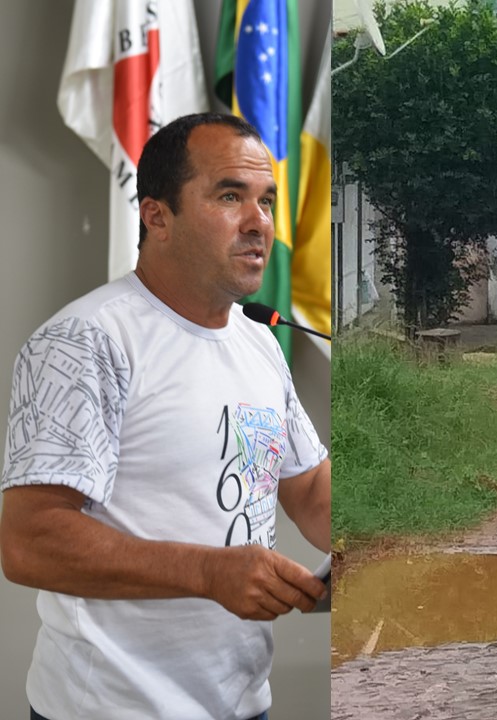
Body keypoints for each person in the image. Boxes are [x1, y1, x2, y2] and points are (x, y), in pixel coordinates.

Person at [0, 113, 331, 720]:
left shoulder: (259, 340)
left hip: (243, 702)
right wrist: (208, 572)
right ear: (157, 216)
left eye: (267, 200)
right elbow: (27, 541)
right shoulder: (87, 341)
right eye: (230, 196)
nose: (259, 222)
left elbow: (308, 488)